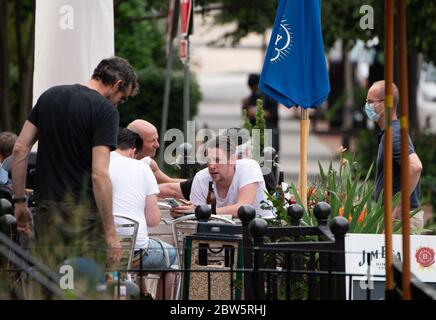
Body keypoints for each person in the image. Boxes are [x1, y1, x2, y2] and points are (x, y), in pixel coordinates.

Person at [11, 56, 138, 267]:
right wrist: (110, 233)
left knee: (50, 282)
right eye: (122, 98)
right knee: (82, 284)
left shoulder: (50, 96)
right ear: (117, 85)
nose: (118, 104)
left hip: (47, 211)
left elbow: (20, 148)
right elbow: (99, 174)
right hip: (83, 216)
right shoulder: (105, 111)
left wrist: (19, 202)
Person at [109, 128, 176, 299]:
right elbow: (153, 220)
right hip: (134, 252)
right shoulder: (142, 168)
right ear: (133, 150)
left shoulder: (96, 164)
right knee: (172, 256)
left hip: (101, 247)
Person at [365, 80, 424, 231]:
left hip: (400, 219)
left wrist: (397, 207)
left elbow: (415, 166)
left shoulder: (393, 133)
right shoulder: (390, 133)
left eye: (370, 102)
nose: (367, 106)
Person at [173, 135, 274, 218]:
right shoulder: (201, 178)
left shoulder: (249, 167)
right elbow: (196, 216)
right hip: (221, 234)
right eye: (209, 160)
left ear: (232, 159)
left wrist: (203, 211)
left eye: (217, 160)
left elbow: (243, 208)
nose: (211, 166)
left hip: (261, 233)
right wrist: (181, 213)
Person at [127, 119, 184, 184]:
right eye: (152, 141)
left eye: (156, 139)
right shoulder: (115, 160)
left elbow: (169, 182)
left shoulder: (148, 162)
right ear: (135, 142)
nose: (157, 145)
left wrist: (196, 180)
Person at [242, 73, 280, 153]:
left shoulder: (269, 96)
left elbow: (274, 113)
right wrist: (245, 106)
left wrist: (258, 112)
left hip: (269, 130)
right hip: (255, 131)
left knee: (269, 157)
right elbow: (245, 115)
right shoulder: (251, 97)